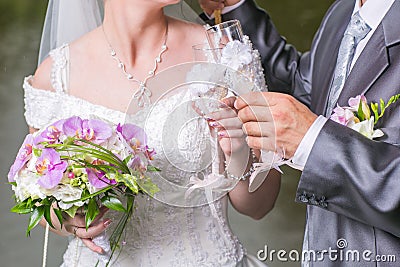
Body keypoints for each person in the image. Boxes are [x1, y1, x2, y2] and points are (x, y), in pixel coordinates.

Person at [23, 0, 281, 266]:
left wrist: (238, 155)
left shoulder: (226, 54)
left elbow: (260, 206)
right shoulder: (56, 76)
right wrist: (69, 221)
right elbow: (40, 203)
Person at [200, 0, 400, 266]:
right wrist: (233, 9)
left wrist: (315, 141)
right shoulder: (344, 11)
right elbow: (306, 89)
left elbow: (310, 129)